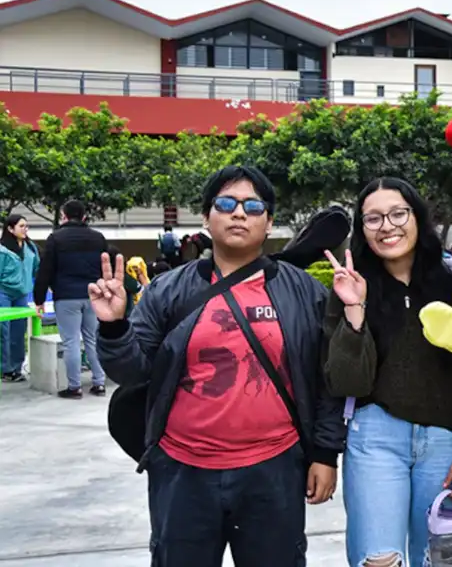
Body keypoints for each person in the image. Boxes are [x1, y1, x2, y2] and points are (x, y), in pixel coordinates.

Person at [94, 165, 346, 567]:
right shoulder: (168, 290)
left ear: (269, 220)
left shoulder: (303, 292)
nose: (239, 213)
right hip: (182, 471)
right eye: (226, 203)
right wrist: (114, 327)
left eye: (252, 205)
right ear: (208, 217)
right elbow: (132, 371)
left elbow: (327, 382)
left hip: (274, 470)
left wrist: (326, 454)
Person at [322, 176, 452, 567]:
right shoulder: (351, 287)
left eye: (397, 213)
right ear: (362, 228)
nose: (387, 226)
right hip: (375, 439)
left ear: (417, 217)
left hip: (445, 442)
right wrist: (355, 310)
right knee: (378, 560)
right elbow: (346, 382)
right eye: (373, 219)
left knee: (435, 558)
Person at [32, 200, 109, 398]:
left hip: (66, 296)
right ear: (84, 216)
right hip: (94, 295)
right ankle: (99, 383)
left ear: (64, 215)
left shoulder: (56, 238)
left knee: (71, 341)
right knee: (92, 339)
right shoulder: (98, 238)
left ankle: (74, 387)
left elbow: (46, 270)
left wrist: (39, 299)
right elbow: (104, 267)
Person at [0, 214, 40, 382]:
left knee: (18, 331)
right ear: (10, 228)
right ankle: (5, 368)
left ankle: (16, 367)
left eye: (26, 226)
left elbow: (37, 268)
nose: (25, 229)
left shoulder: (31, 247)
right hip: (4, 293)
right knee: (3, 332)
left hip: (22, 293)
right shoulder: (2, 250)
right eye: (21, 226)